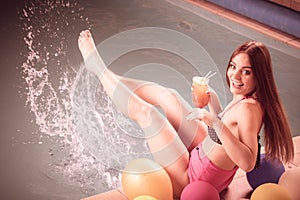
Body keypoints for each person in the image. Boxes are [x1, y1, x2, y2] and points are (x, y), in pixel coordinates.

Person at [78, 29, 294, 197]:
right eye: (232, 66)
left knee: (147, 114)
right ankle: (109, 76)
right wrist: (214, 107)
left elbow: (248, 162)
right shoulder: (247, 98)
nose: (235, 76)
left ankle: (99, 69)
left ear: (260, 77)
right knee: (168, 95)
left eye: (246, 72)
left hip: (192, 180)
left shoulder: (249, 110)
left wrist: (214, 122)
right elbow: (227, 139)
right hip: (204, 159)